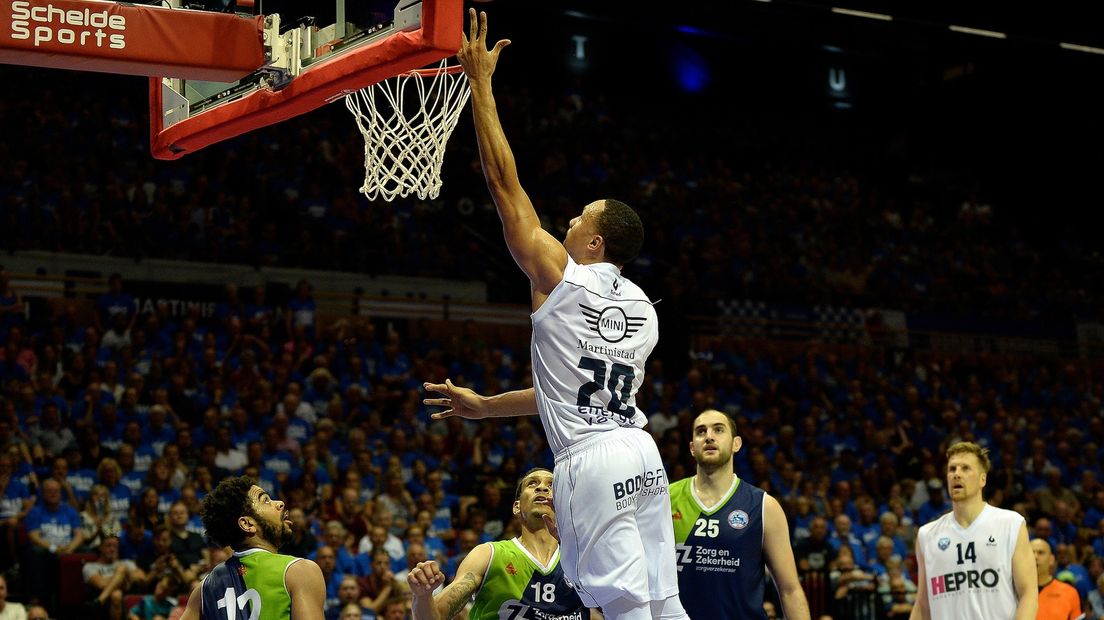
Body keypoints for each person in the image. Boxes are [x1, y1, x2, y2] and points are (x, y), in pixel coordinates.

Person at [428, 12, 685, 619]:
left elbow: (502, 184)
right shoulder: (644, 311)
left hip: (590, 463)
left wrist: (480, 87)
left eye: (580, 218)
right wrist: (488, 407)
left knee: (620, 609)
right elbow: (567, 392)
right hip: (642, 455)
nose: (567, 221)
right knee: (664, 604)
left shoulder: (559, 277)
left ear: (595, 242)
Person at [668, 409, 810, 619]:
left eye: (718, 429)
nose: (709, 436)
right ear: (691, 448)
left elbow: (790, 590)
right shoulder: (665, 499)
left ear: (736, 443)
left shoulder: (764, 506)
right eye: (700, 431)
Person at [406, 468, 593, 620]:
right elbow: (436, 616)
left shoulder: (582, 559)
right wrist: (422, 596)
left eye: (552, 485)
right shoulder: (488, 554)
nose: (542, 488)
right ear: (517, 506)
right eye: (532, 483)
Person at [910, 442, 1037, 619]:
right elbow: (923, 606)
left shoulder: (1011, 524)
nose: (956, 474)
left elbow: (1029, 594)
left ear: (982, 479)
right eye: (952, 469)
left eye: (965, 468)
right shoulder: (927, 535)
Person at [175, 476, 325, 620]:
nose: (279, 503)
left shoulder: (203, 590)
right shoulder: (299, 571)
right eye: (265, 500)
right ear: (247, 524)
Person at [1031, 538, 1082, 620]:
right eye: (1031, 552)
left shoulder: (1070, 592)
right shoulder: (1012, 590)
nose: (1035, 556)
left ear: (1051, 559)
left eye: (1040, 552)